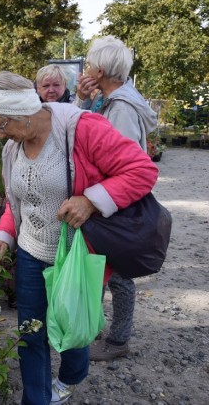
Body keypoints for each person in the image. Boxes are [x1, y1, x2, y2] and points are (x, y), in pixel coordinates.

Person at [0, 71, 158, 404]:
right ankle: (37, 399)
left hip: (75, 253)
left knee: (73, 330)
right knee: (31, 332)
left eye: (0, 125)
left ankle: (72, 374)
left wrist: (91, 200)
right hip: (31, 252)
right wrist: (3, 234)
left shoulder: (80, 129)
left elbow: (143, 170)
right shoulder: (12, 149)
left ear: (21, 113)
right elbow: (18, 199)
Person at [74, 35, 158, 361]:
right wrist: (82, 99)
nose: (87, 68)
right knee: (103, 268)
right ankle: (97, 330)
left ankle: (118, 341)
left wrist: (96, 199)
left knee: (119, 273)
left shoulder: (121, 108)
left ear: (104, 68)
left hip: (115, 202)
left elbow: (123, 165)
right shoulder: (107, 100)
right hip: (105, 200)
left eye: (91, 63)